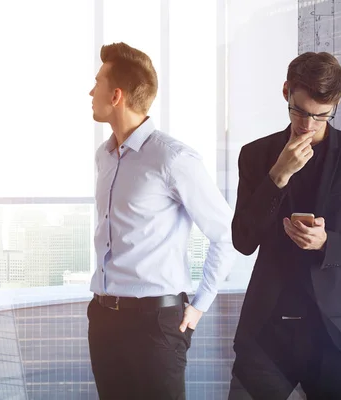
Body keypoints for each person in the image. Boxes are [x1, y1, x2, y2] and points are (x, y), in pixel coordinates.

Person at [228, 52, 341, 399]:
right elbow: (242, 240)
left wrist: (327, 242)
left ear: (336, 105)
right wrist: (278, 175)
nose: (308, 125)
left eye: (321, 115)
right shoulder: (255, 155)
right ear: (286, 91)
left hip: (334, 333)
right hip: (266, 330)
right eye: (300, 111)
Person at [87, 41, 237, 400]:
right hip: (104, 318)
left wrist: (198, 307)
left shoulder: (173, 158)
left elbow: (226, 235)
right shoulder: (104, 156)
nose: (90, 91)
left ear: (116, 95)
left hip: (155, 324)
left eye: (97, 82)